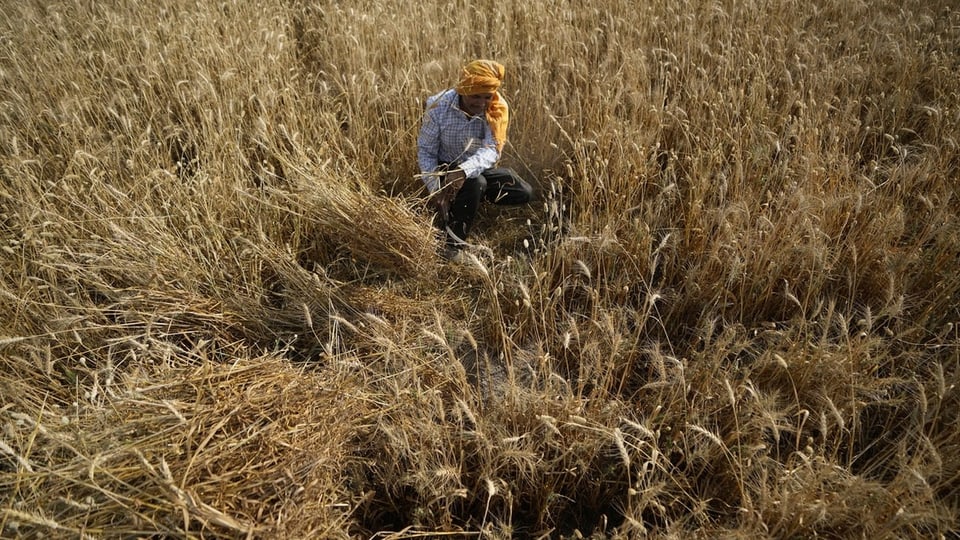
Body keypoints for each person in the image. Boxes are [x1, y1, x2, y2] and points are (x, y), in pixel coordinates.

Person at [417, 59, 534, 258]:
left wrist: (463, 171)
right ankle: (452, 246)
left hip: (476, 166)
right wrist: (436, 189)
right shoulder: (437, 106)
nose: (481, 103)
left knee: (523, 191)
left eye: (487, 97)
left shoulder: (496, 108)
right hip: (445, 168)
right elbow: (426, 152)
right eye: (475, 96)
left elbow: (491, 150)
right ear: (463, 90)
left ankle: (467, 200)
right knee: (475, 184)